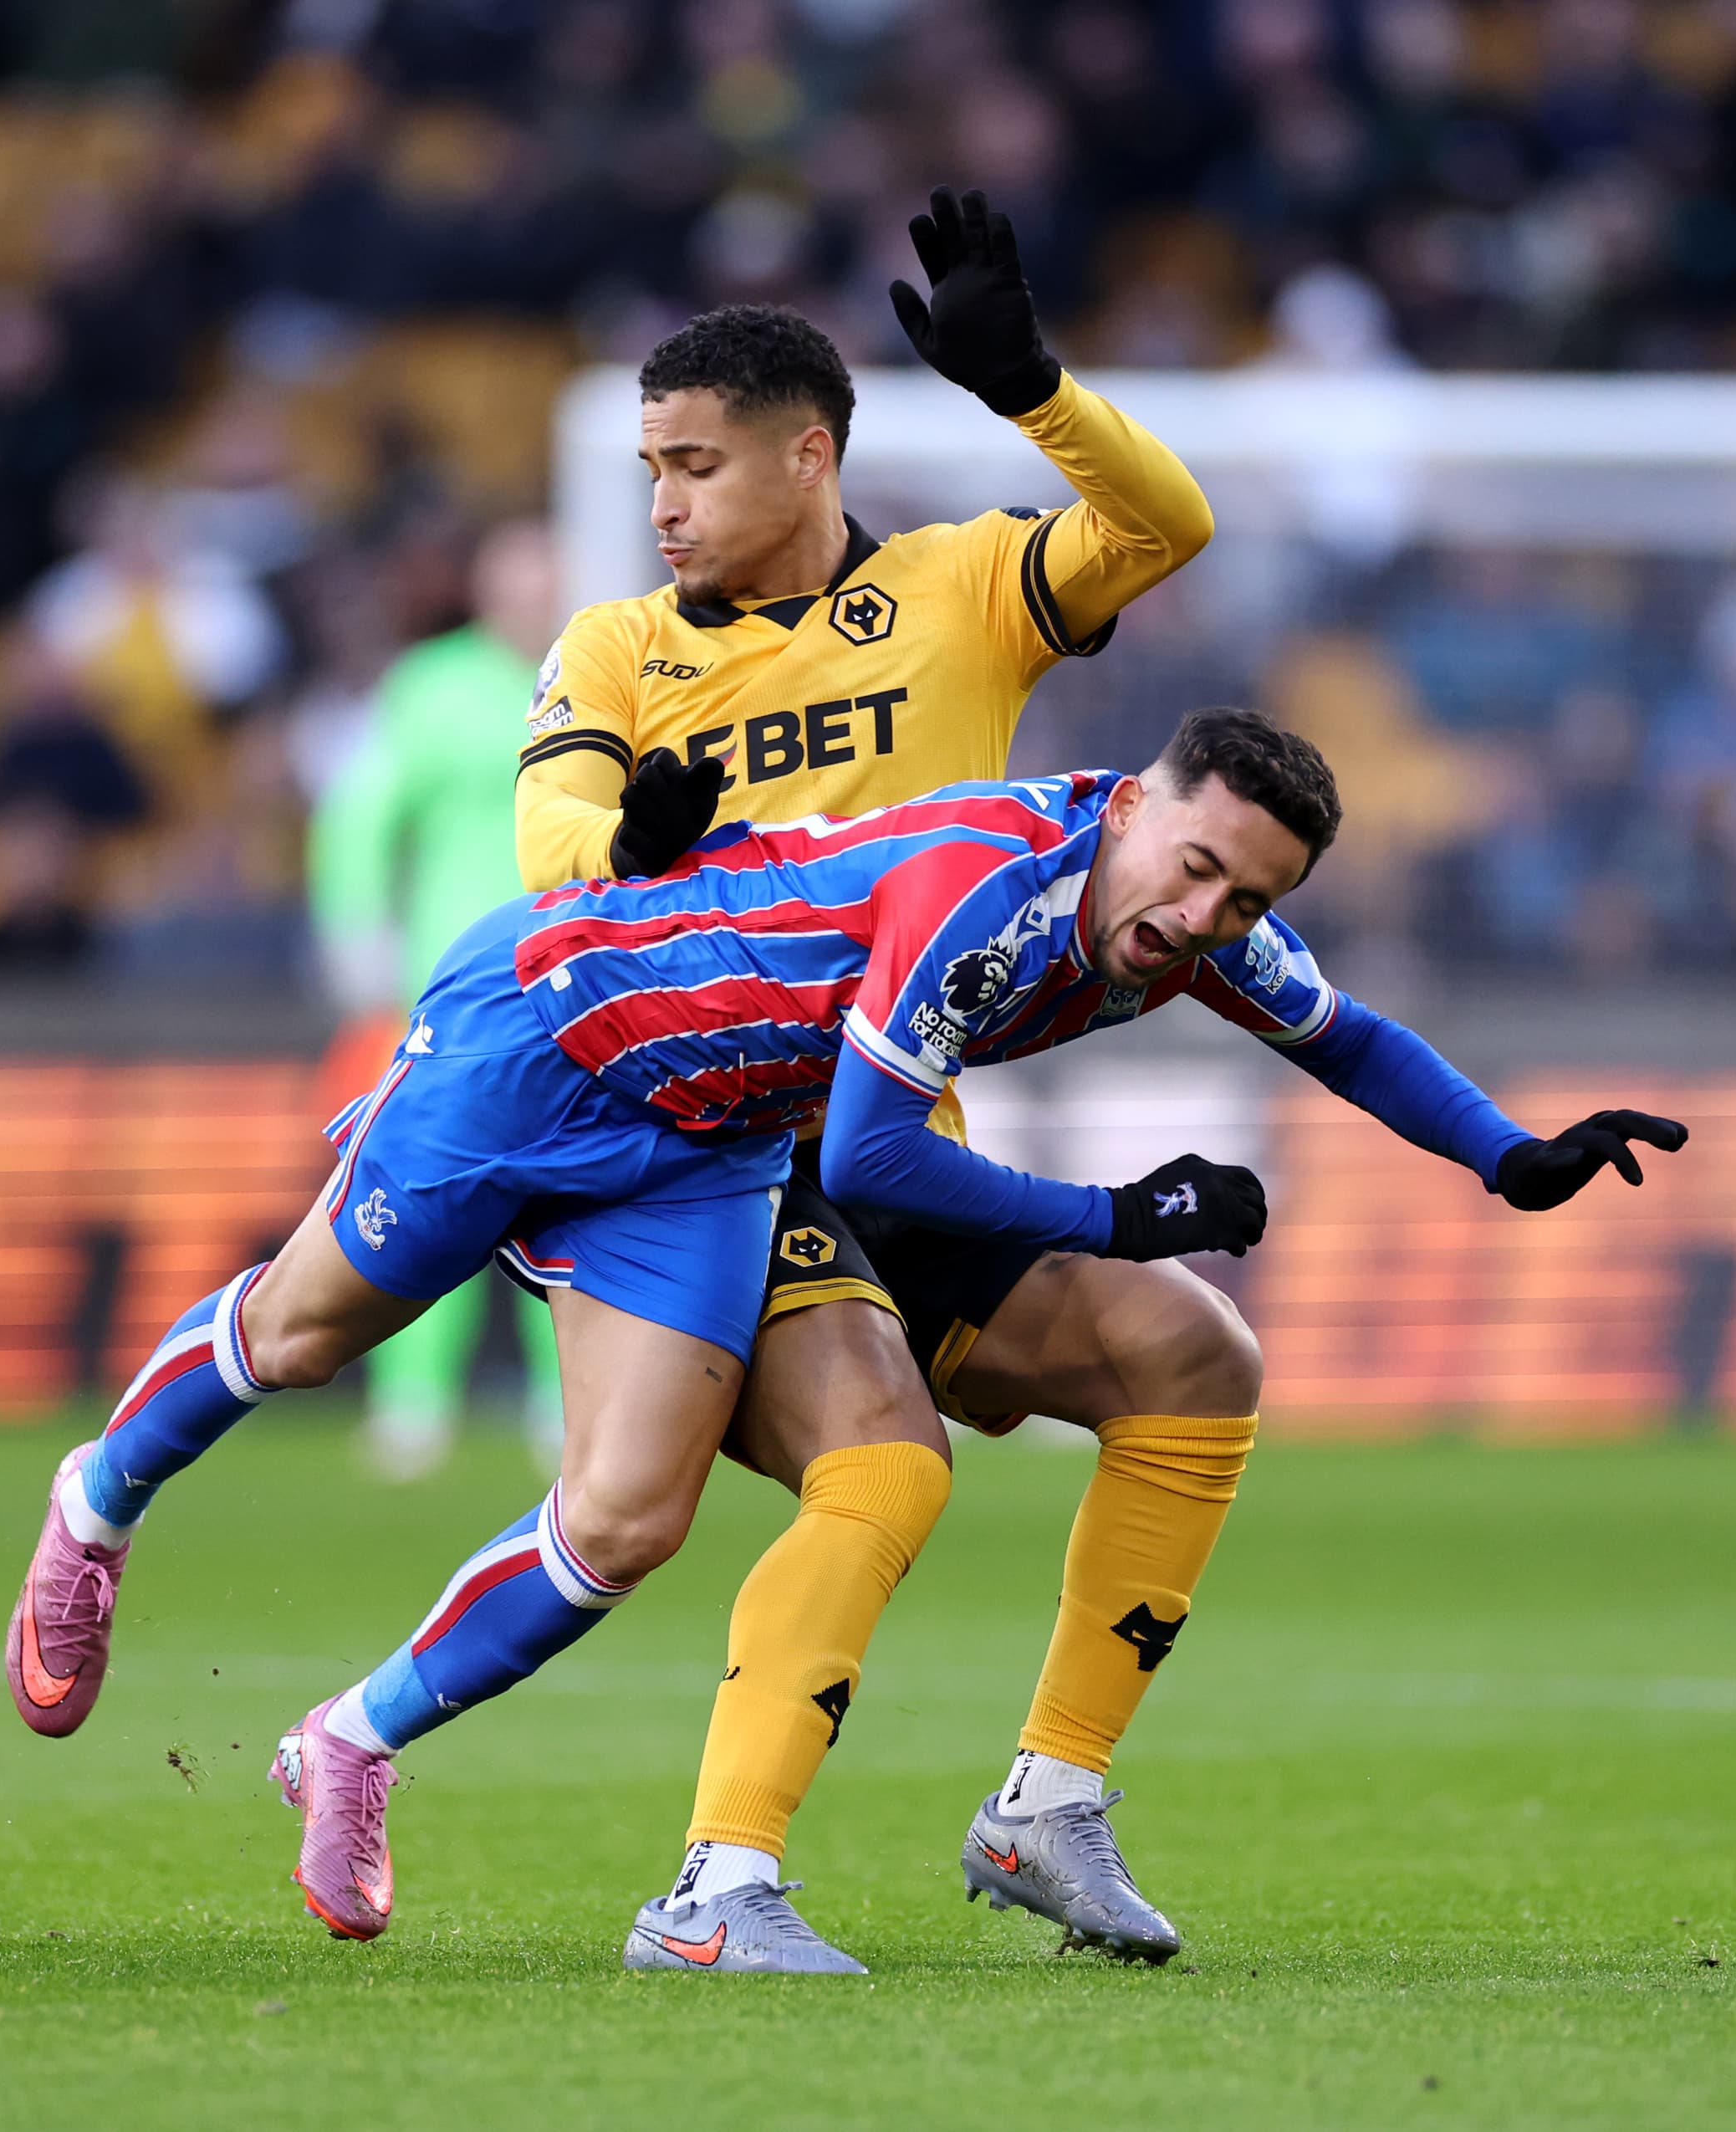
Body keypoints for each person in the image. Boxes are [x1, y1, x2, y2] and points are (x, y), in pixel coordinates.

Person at [3, 709, 1686, 1973]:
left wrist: (1506, 1153)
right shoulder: (992, 893)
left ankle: (348, 1741)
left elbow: (1350, 1035)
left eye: (1244, 897)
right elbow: (877, 1161)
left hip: (707, 1143)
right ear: (1134, 802)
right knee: (303, 1330)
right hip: (543, 1037)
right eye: (1195, 868)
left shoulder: (1188, 928)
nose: (1204, 915)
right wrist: (1117, 1214)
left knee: (628, 1517)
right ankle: (98, 1499)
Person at [518, 193, 1253, 1964]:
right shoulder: (620, 646)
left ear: (809, 454)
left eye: (695, 463)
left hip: (895, 1134)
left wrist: (1036, 388)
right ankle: (715, 1885)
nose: (663, 502)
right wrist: (634, 838)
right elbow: (551, 852)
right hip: (708, 1139)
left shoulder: (957, 591)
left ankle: (1049, 1801)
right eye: (650, 467)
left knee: (1193, 1356)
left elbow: (1168, 524)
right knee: (883, 1462)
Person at [307, 520, 569, 1479]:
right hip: (454, 985)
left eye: (545, 582)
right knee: (428, 1192)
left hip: (582, 981)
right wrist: (354, 929)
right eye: (517, 582)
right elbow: (360, 811)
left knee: (570, 1197)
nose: (532, 599)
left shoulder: (609, 671)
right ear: (487, 592)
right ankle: (413, 1400)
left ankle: (567, 1404)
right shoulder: (432, 685)